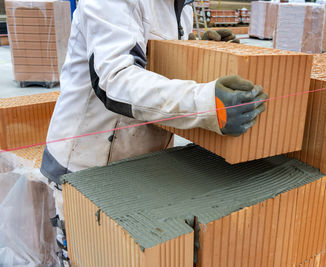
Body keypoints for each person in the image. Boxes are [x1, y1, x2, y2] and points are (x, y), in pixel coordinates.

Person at [40, 0, 267, 265]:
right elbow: (116, 80)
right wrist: (206, 103)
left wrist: (208, 54)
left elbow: (160, 69)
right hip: (85, 168)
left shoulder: (182, 9)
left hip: (142, 167)